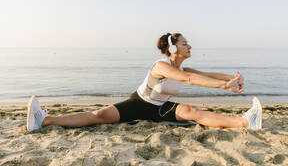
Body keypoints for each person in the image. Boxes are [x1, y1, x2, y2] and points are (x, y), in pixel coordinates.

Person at [27, 33, 262, 132]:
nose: (189, 46)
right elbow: (190, 80)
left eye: (188, 43)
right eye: (184, 43)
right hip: (138, 104)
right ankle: (45, 120)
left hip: (160, 108)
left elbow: (205, 75)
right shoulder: (161, 66)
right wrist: (224, 87)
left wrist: (232, 79)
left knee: (192, 111)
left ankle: (245, 122)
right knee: (99, 115)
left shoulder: (183, 67)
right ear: (172, 48)